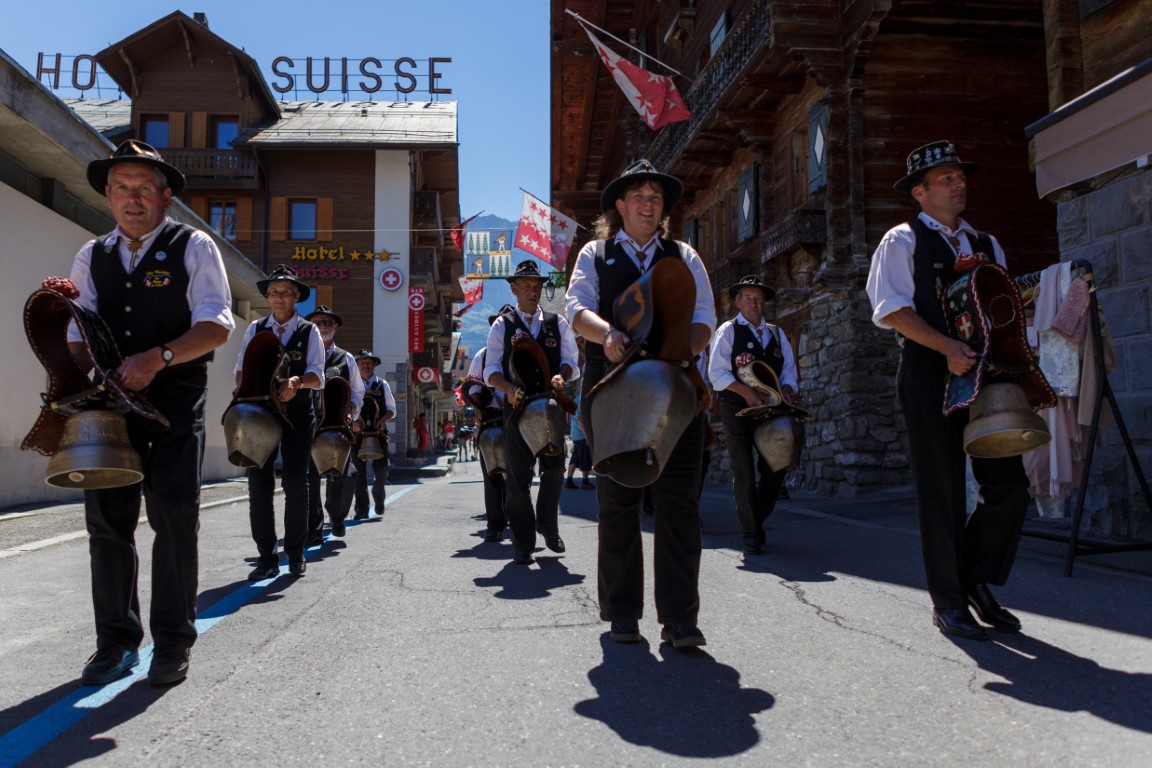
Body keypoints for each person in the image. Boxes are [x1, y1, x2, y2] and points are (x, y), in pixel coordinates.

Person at [68, 140, 234, 686]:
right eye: (121, 188)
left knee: (173, 516)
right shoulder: (91, 255)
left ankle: (172, 642)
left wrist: (159, 357)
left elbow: (215, 326)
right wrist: (71, 377)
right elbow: (76, 336)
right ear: (108, 196)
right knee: (107, 524)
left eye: (143, 188)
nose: (131, 198)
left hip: (174, 401)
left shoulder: (194, 246)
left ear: (165, 197)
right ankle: (114, 641)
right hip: (112, 406)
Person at [866, 140, 1030, 640]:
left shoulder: (987, 242)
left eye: (961, 177)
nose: (958, 185)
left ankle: (975, 580)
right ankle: (949, 602)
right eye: (946, 179)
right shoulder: (902, 240)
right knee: (941, 491)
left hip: (986, 375)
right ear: (920, 192)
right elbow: (891, 310)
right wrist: (944, 347)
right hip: (928, 372)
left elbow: (1002, 304)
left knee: (1009, 486)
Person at [566, 159, 716, 648]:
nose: (649, 204)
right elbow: (577, 310)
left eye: (656, 197)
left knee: (678, 503)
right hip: (612, 389)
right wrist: (607, 333)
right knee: (619, 501)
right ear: (620, 206)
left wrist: (682, 350)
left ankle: (679, 619)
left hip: (676, 387)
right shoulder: (597, 252)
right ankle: (623, 614)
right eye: (639, 196)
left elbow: (703, 321)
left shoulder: (686, 255)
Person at [485, 260, 580, 564]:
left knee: (553, 471)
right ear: (514, 288)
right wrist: (509, 390)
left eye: (537, 286)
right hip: (516, 410)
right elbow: (491, 370)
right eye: (526, 286)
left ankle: (548, 527)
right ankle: (523, 542)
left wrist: (561, 377)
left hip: (550, 410)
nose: (532, 291)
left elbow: (570, 362)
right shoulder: (503, 324)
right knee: (517, 480)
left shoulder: (557, 322)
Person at [235, 264, 324, 582]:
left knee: (296, 482)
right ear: (267, 296)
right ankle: (266, 556)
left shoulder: (308, 331)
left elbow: (318, 375)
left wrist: (297, 382)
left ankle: (297, 552)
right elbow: (240, 369)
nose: (278, 297)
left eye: (285, 291)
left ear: (297, 296)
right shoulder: (256, 328)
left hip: (298, 414)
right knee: (258, 484)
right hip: (260, 414)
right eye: (273, 291)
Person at [709, 275, 800, 556]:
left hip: (771, 407)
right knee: (744, 472)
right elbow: (717, 373)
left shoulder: (777, 334)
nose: (754, 303)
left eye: (758, 298)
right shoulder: (728, 331)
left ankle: (755, 519)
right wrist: (744, 391)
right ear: (737, 302)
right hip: (736, 407)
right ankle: (751, 534)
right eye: (748, 298)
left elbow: (788, 370)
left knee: (777, 467)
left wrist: (787, 388)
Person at [304, 305, 363, 542]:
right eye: (318, 323)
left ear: (335, 327)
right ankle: (313, 527)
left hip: (338, 426)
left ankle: (337, 517)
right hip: (308, 424)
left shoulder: (346, 358)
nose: (323, 327)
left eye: (327, 323)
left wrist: (352, 411)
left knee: (345, 475)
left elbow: (358, 391)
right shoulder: (304, 354)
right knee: (310, 477)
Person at [464, 305, 514, 542]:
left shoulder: (523, 352)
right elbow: (473, 387)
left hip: (519, 419)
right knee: (492, 475)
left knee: (518, 475)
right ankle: (495, 523)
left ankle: (519, 518)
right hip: (492, 420)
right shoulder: (483, 355)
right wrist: (479, 407)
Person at [351, 349, 396, 519]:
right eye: (362, 362)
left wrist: (384, 419)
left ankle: (379, 493)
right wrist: (353, 422)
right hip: (357, 435)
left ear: (374, 365)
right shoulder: (351, 386)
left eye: (369, 362)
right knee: (358, 473)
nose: (365, 365)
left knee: (381, 469)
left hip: (379, 434)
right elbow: (346, 408)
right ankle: (361, 510)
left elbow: (392, 409)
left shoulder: (382, 385)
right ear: (356, 365)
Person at [565, 392, 593, 489]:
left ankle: (569, 480)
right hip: (581, 435)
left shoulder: (578, 398)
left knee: (575, 457)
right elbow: (580, 418)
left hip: (576, 434)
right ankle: (585, 482)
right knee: (585, 457)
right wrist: (587, 435)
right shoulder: (581, 399)